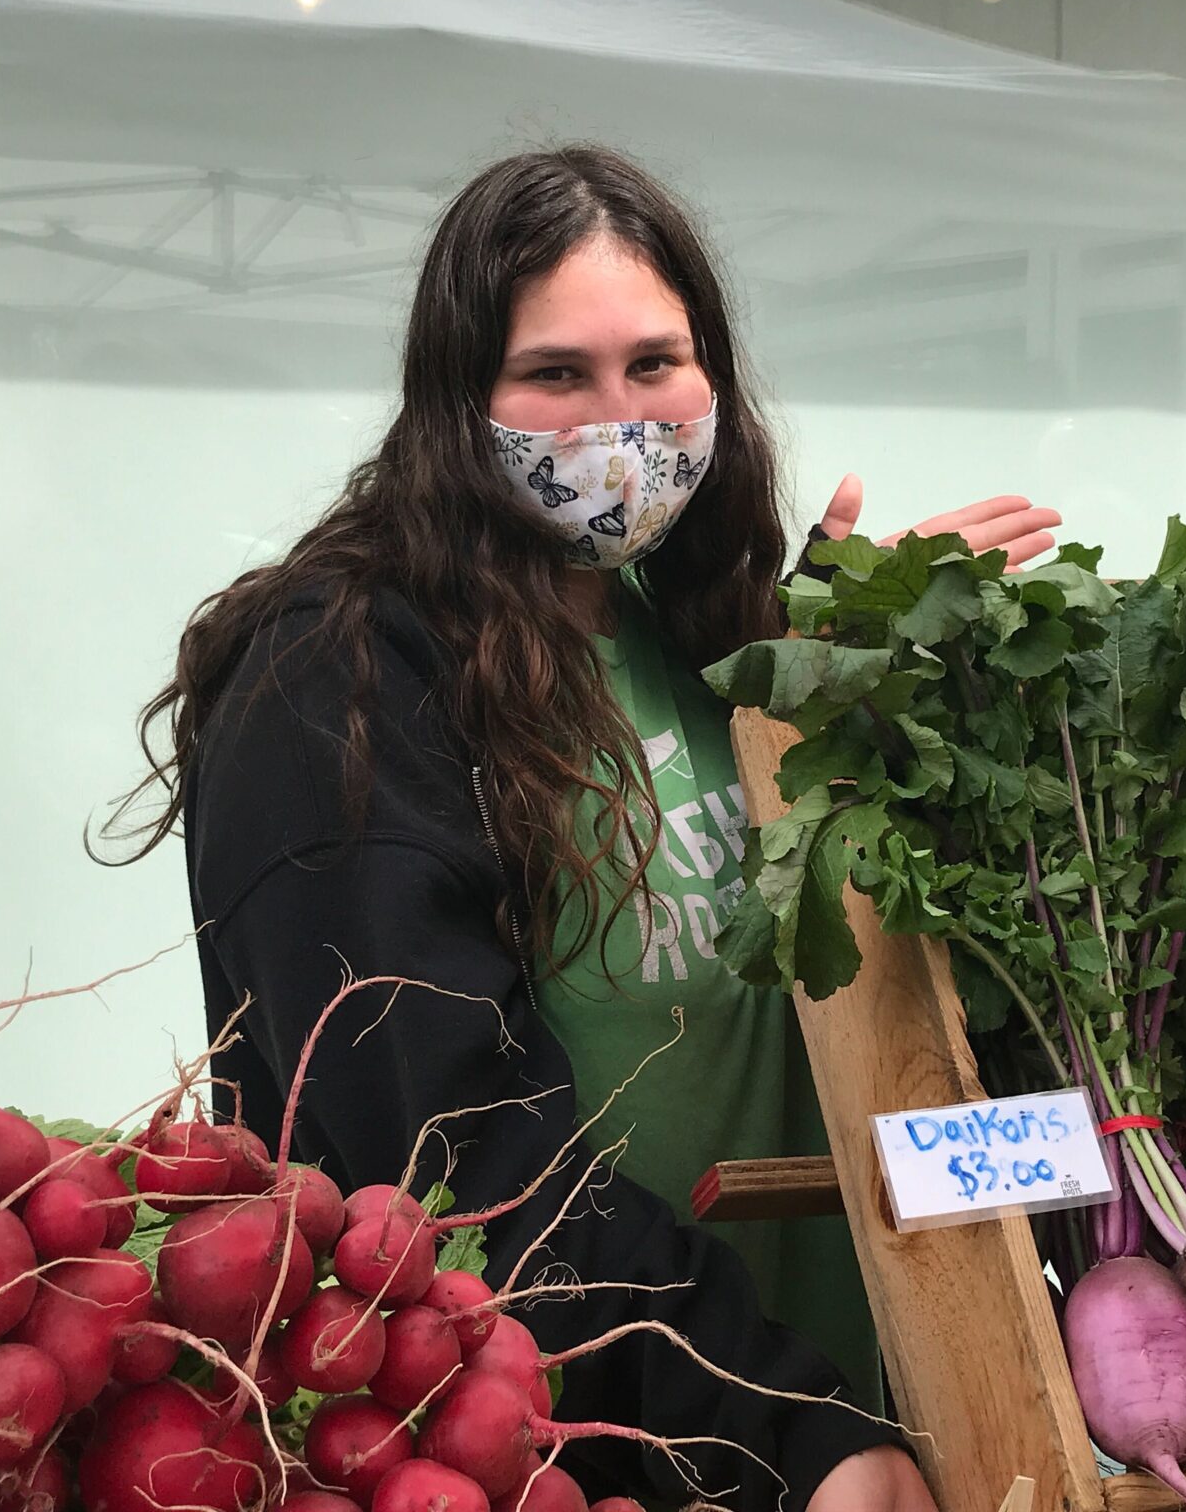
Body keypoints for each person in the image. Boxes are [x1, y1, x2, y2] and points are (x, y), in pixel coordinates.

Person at [113, 145, 1059, 1511]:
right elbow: (447, 1158)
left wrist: (852, 677)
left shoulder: (703, 635)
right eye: (556, 375)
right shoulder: (339, 679)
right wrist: (773, 1427)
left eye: (657, 365)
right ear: (457, 402)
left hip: (866, 1425)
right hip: (570, 1460)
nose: (619, 420)